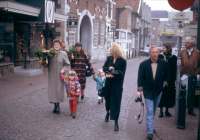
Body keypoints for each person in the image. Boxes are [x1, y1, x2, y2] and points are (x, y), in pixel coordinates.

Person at [136, 45, 169, 140]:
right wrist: (139, 91)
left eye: (156, 52)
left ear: (158, 53)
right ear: (150, 53)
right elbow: (140, 78)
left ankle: (151, 126)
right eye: (153, 52)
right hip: (148, 91)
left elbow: (168, 75)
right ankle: (150, 132)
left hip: (158, 91)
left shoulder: (163, 63)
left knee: (153, 111)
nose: (155, 54)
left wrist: (165, 83)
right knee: (150, 111)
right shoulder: (143, 64)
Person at [103, 42, 127, 131]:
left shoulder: (123, 61)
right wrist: (108, 68)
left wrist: (113, 75)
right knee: (107, 99)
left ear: (115, 51)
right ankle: (107, 113)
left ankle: (116, 121)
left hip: (117, 85)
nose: (109, 51)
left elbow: (122, 74)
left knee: (116, 102)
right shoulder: (109, 58)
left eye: (111, 49)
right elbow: (104, 67)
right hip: (108, 83)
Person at [48, 39, 70, 114]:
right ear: (53, 46)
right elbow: (45, 63)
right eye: (55, 45)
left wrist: (63, 70)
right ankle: (54, 105)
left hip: (60, 75)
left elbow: (67, 65)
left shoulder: (64, 54)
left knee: (59, 90)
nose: (56, 46)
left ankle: (58, 106)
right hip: (52, 75)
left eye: (58, 45)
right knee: (53, 91)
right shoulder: (50, 54)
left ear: (60, 46)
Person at [180, 36, 199, 116]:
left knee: (192, 93)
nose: (185, 44)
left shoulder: (198, 53)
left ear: (191, 44)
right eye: (185, 42)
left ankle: (190, 109)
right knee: (183, 92)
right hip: (184, 75)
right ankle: (182, 108)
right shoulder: (182, 52)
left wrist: (196, 71)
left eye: (187, 42)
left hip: (193, 75)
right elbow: (180, 62)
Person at [158, 43, 177, 117]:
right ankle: (161, 111)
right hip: (161, 79)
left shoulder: (173, 57)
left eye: (164, 48)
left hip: (170, 80)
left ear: (168, 48)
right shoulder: (160, 56)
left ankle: (167, 111)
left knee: (169, 95)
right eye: (162, 48)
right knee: (162, 95)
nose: (162, 49)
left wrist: (173, 78)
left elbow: (175, 69)